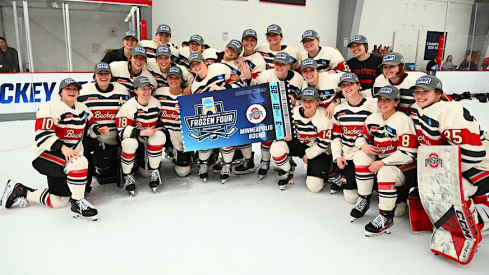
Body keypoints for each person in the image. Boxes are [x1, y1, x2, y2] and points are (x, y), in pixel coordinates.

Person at [0, 78, 108, 221]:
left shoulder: (83, 109)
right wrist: (63, 148)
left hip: (67, 158)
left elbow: (90, 127)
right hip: (46, 155)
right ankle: (78, 203)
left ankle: (21, 190)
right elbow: (42, 135)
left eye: (75, 89)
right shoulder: (50, 107)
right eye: (68, 89)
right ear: (60, 92)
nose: (72, 91)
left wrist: (99, 129)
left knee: (58, 201)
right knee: (80, 161)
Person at [410, 75, 489, 234]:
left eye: (425, 91)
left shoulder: (450, 112)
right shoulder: (417, 108)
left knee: (451, 189)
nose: (419, 95)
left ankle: (477, 224)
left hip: (481, 161)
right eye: (417, 91)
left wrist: (441, 177)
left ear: (439, 94)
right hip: (454, 160)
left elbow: (472, 154)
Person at [351, 85, 417, 236]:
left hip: (402, 169)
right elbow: (360, 137)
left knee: (399, 209)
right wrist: (363, 145)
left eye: (388, 99)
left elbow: (409, 153)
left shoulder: (403, 120)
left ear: (396, 102)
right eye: (380, 99)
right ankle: (364, 198)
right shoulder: (373, 118)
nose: (382, 102)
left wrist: (383, 163)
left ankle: (386, 216)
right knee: (360, 155)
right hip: (380, 165)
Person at [188, 53, 245, 183]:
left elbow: (240, 83)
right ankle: (203, 163)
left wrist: (224, 88)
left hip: (231, 109)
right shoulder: (195, 86)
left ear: (205, 62)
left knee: (227, 139)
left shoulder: (219, 68)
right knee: (205, 139)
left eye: (198, 63)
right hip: (212, 116)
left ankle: (227, 164)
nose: (196, 67)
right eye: (193, 65)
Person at [250, 52, 304, 179]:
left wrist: (297, 101)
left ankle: (288, 160)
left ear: (289, 66)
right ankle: (265, 161)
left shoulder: (298, 78)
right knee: (267, 135)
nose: (279, 67)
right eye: (277, 64)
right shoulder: (266, 75)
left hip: (289, 113)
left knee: (286, 136)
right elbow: (253, 88)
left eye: (283, 64)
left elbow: (306, 99)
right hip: (269, 110)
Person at [77, 62, 130, 191]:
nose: (103, 76)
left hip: (115, 137)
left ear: (111, 75)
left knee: (107, 171)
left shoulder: (122, 90)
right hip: (93, 137)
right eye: (100, 74)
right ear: (94, 76)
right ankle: (85, 176)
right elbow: (77, 112)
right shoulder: (84, 91)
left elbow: (128, 111)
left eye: (106, 73)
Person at [270, 87, 334, 191]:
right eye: (305, 100)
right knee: (276, 148)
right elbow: (283, 130)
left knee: (314, 187)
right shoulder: (293, 112)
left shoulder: (324, 116)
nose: (307, 104)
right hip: (300, 143)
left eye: (311, 100)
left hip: (318, 149)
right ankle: (287, 171)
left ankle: (328, 167)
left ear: (317, 102)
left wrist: (308, 154)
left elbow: (323, 144)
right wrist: (287, 135)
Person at [331, 72, 378, 204]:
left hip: (366, 153)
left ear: (358, 85)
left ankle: (368, 187)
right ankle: (348, 176)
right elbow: (336, 136)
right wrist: (337, 156)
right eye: (343, 85)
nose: (347, 87)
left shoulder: (372, 104)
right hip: (347, 155)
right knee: (350, 198)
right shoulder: (339, 109)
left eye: (350, 84)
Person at [115, 76, 165, 196]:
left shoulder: (156, 103)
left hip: (150, 138)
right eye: (143, 89)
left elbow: (161, 122)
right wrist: (141, 132)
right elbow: (121, 130)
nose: (147, 91)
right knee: (129, 143)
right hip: (136, 139)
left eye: (148, 88)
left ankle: (155, 171)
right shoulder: (128, 106)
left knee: (159, 135)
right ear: (136, 90)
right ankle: (128, 175)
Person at [153, 66, 192, 177]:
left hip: (180, 133)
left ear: (181, 80)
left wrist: (189, 139)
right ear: (167, 79)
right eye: (171, 77)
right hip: (165, 131)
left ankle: (185, 154)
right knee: (155, 136)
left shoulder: (188, 95)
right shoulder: (159, 93)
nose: (173, 80)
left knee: (182, 172)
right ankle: (151, 163)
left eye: (176, 78)